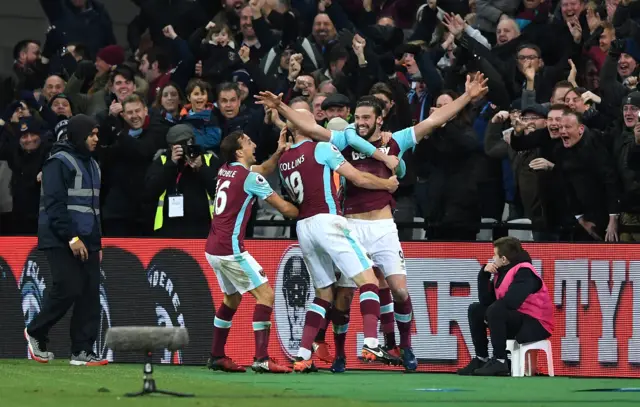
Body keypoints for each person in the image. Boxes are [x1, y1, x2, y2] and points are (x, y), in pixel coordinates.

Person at [256, 73, 489, 372]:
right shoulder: (342, 140)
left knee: (400, 291)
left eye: (367, 117)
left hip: (382, 227)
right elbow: (309, 126)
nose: (360, 122)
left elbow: (433, 121)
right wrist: (283, 107)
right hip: (349, 223)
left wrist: (467, 97)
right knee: (342, 297)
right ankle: (340, 353)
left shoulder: (397, 141)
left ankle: (404, 347)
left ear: (380, 120)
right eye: (358, 117)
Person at [274, 108, 401, 373]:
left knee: (323, 294)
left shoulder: (284, 158)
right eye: (310, 118)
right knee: (368, 279)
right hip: (328, 220)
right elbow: (356, 177)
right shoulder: (321, 148)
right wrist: (386, 185)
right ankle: (370, 342)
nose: (316, 122)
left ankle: (303, 355)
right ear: (301, 125)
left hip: (304, 227)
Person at [205, 129, 298, 373]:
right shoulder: (250, 180)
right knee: (266, 296)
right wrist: (311, 209)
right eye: (248, 142)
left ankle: (216, 355)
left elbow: (263, 169)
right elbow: (286, 210)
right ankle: (262, 358)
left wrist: (278, 153)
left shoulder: (225, 169)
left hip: (213, 248)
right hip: (230, 250)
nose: (254, 143)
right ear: (239, 151)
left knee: (232, 298)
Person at [24, 114, 106, 366]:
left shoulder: (93, 164)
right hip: (59, 237)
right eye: (91, 134)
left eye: (96, 134)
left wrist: (96, 243)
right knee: (68, 286)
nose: (95, 139)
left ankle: (82, 351)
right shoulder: (57, 163)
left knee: (90, 293)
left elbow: (93, 208)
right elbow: (54, 205)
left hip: (87, 238)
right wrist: (72, 237)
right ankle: (36, 331)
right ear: (80, 135)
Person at [457, 237, 554, 376]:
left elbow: (512, 301)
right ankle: (482, 358)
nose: (492, 258)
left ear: (503, 259)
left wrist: (490, 313)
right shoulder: (501, 273)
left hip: (536, 324)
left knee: (496, 310)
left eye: (494, 255)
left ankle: (500, 360)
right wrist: (484, 275)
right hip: (516, 318)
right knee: (476, 310)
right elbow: (486, 301)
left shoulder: (525, 272)